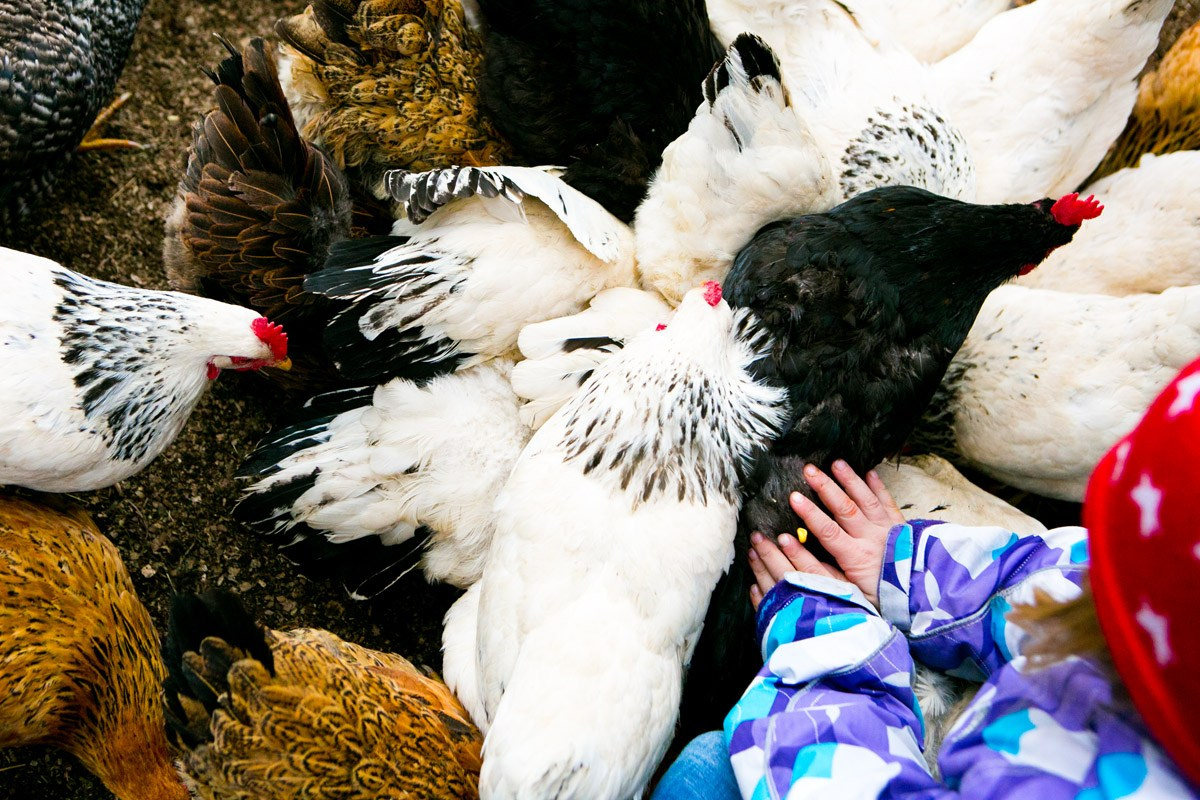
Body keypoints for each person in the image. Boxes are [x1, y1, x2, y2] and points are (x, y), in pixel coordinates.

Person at [655, 357, 1200, 799]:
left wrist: (828, 643)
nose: (1094, 582)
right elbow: (1067, 580)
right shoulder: (1163, 623)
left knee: (706, 768)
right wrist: (912, 571)